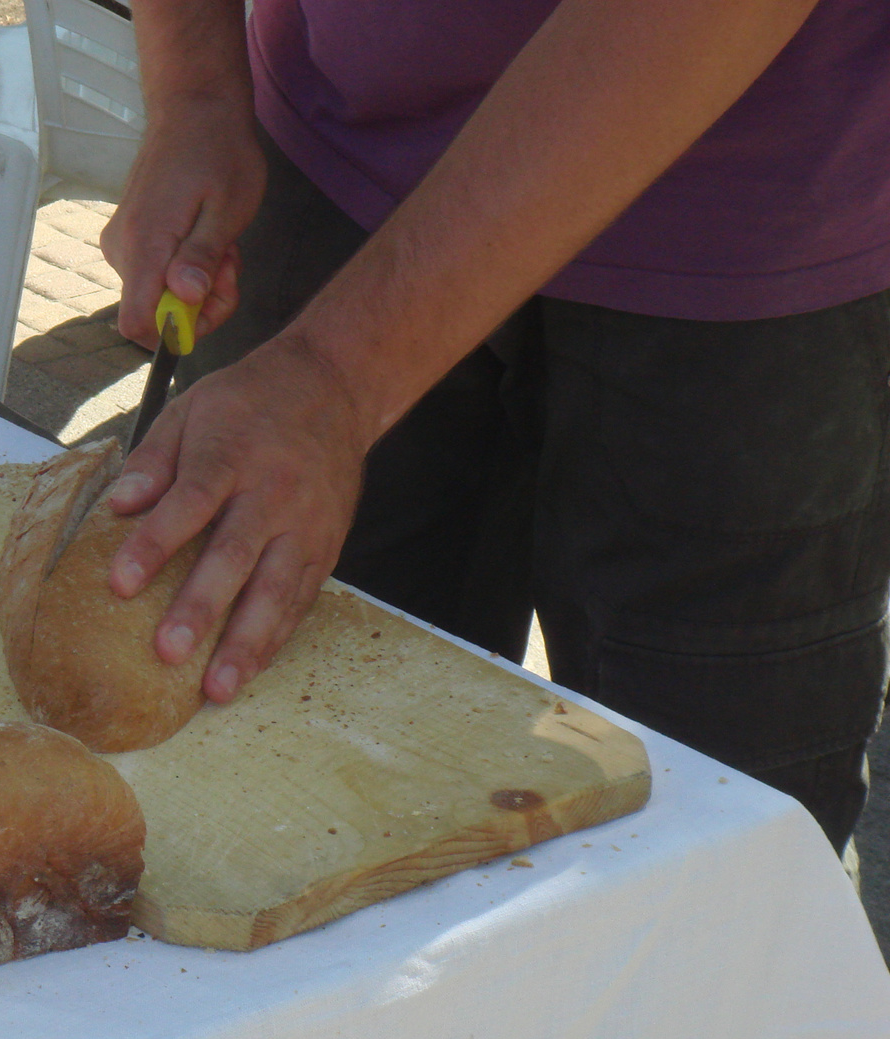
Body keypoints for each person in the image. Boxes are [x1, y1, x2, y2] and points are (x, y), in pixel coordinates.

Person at [98, 0, 890, 851]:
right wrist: (197, 89)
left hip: (749, 236)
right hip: (333, 144)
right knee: (256, 789)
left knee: (709, 848)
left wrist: (331, 377)